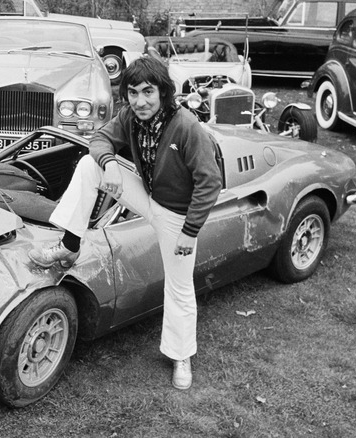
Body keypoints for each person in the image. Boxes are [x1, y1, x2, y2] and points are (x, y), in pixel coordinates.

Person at [28, 56, 222, 390]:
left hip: (177, 217)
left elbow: (210, 183)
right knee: (91, 165)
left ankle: (180, 354)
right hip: (148, 196)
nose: (140, 100)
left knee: (179, 286)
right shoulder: (130, 115)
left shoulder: (187, 126)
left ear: (163, 92)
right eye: (133, 92)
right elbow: (100, 139)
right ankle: (69, 246)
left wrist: (190, 232)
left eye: (148, 92)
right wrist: (111, 164)